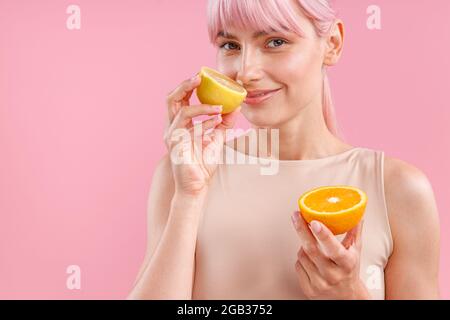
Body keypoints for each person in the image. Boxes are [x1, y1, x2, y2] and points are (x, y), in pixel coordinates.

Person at [128, 0, 440, 299]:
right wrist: (188, 197)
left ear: (332, 43)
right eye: (230, 45)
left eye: (275, 42)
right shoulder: (182, 176)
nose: (246, 71)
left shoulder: (399, 190)